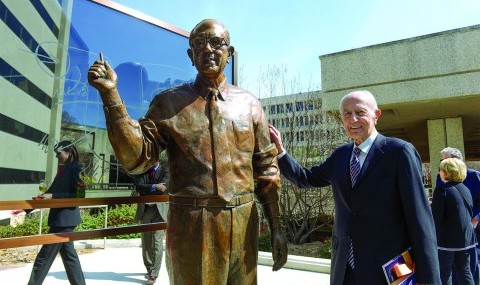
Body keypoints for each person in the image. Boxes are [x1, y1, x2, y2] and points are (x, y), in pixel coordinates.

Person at [88, 19, 287, 284]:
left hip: (244, 222)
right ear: (190, 54)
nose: (208, 49)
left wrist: (277, 227)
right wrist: (111, 96)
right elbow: (136, 159)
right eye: (199, 44)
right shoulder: (169, 103)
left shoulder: (250, 105)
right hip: (192, 225)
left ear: (230, 52)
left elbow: (266, 170)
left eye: (216, 43)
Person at [269, 90, 440, 285]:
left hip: (387, 270)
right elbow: (305, 178)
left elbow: (419, 217)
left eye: (360, 112)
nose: (353, 119)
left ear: (376, 115)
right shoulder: (340, 156)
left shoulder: (399, 152)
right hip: (345, 270)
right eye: (347, 114)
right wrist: (281, 152)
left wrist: (429, 278)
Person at [27, 140, 86, 285]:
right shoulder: (63, 170)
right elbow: (49, 192)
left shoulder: (77, 169)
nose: (56, 157)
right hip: (61, 221)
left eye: (58, 153)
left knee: (43, 258)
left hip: (64, 221)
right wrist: (26, 208)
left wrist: (53, 197)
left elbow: (80, 196)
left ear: (68, 152)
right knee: (70, 259)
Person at [436, 147, 480, 284]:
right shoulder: (462, 187)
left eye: (445, 161)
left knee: (446, 273)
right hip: (465, 237)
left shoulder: (474, 176)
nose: (441, 165)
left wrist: (477, 218)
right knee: (464, 271)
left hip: (452, 238)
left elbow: (436, 216)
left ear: (458, 160)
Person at [133, 161, 169, 285]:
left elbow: (164, 188)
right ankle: (149, 268)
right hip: (145, 209)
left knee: (157, 242)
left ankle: (154, 273)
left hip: (159, 210)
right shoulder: (143, 170)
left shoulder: (165, 170)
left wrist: (147, 188)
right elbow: (138, 186)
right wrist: (154, 187)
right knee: (146, 241)